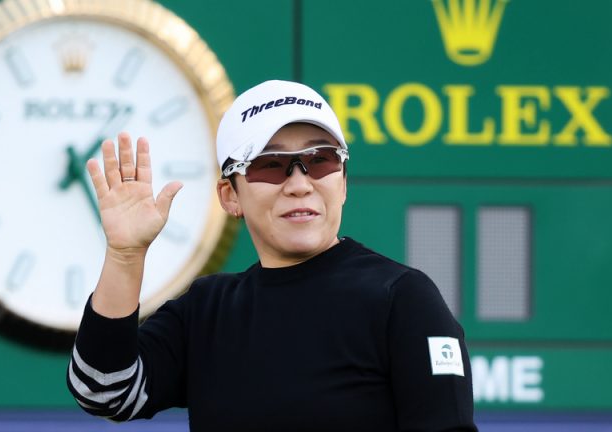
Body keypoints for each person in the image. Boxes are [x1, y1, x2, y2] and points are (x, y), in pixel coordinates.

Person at [66, 80, 478, 431]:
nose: (300, 184)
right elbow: (103, 389)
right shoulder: (206, 311)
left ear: (344, 183)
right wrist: (125, 255)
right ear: (231, 196)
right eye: (270, 164)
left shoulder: (402, 299)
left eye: (321, 161)